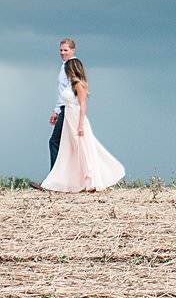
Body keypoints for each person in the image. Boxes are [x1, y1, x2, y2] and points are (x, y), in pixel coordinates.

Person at [39, 37, 125, 193]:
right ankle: (58, 180)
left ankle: (56, 180)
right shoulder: (64, 67)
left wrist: (74, 121)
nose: (62, 53)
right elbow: (62, 93)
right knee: (64, 145)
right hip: (66, 111)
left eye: (65, 50)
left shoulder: (72, 67)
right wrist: (56, 110)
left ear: (73, 50)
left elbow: (79, 101)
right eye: (61, 50)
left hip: (71, 113)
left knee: (63, 143)